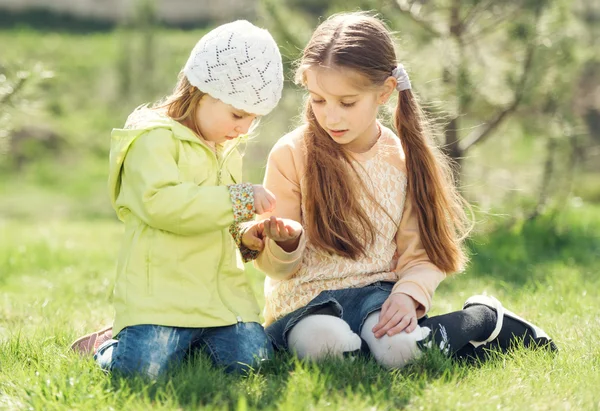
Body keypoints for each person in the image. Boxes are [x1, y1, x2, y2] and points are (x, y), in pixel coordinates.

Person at [253, 12, 556, 369]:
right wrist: (284, 243)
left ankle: (485, 320)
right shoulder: (291, 153)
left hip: (376, 296)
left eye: (346, 102)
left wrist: (408, 294)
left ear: (384, 92)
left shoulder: (402, 158)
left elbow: (424, 251)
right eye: (319, 100)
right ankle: (385, 347)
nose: (331, 116)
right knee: (327, 350)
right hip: (304, 300)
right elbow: (277, 269)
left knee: (401, 354)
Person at [70, 20, 284, 379]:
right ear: (201, 91)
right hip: (161, 302)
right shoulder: (153, 139)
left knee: (253, 364)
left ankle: (190, 346)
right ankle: (109, 344)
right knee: (140, 372)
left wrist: (245, 236)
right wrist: (238, 199)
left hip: (220, 304)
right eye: (237, 114)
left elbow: (220, 218)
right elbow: (164, 205)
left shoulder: (226, 147)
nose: (244, 128)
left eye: (253, 118)